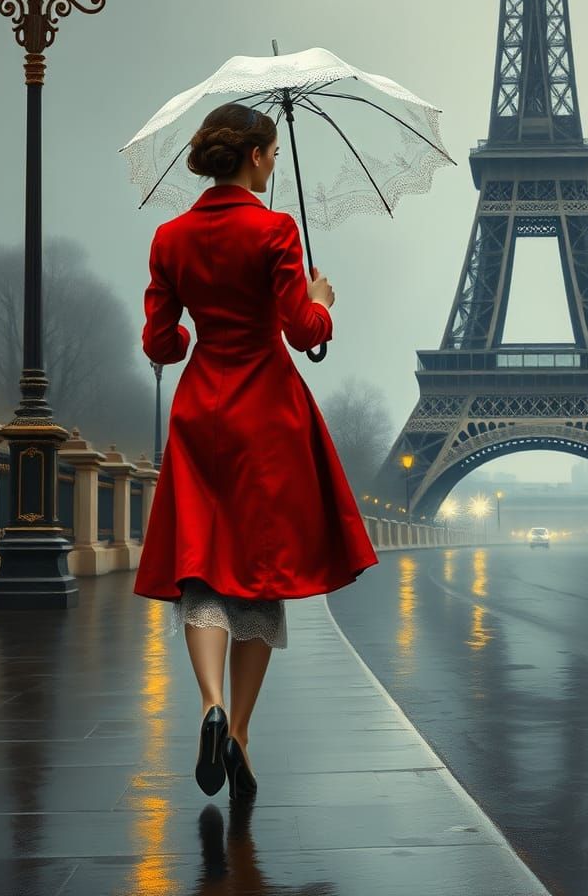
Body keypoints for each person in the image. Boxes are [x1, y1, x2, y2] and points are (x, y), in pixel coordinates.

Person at [133, 101, 379, 802]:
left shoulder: (169, 237)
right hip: (265, 416)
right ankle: (238, 732)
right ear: (260, 156)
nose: (273, 165)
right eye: (270, 156)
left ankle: (209, 704)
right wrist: (320, 299)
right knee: (260, 575)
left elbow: (160, 342)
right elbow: (303, 332)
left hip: (200, 411)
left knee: (202, 569)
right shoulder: (275, 230)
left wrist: (187, 341)